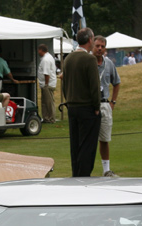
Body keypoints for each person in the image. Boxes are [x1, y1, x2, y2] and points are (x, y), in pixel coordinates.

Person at [62, 27, 101, 177]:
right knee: (88, 145)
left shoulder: (69, 58)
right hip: (87, 107)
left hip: (72, 106)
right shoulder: (89, 59)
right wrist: (96, 107)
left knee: (75, 144)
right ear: (90, 40)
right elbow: (94, 86)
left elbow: (65, 84)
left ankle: (75, 173)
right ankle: (84, 175)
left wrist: (68, 100)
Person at [94, 35, 121, 178]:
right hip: (90, 105)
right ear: (92, 46)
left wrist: (113, 102)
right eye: (97, 46)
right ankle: (86, 169)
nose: (99, 48)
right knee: (89, 139)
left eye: (102, 46)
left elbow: (117, 83)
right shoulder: (88, 62)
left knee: (104, 139)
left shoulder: (109, 63)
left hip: (104, 103)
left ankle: (106, 170)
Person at [37, 44, 57, 124]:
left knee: (49, 102)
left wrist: (46, 84)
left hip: (47, 84)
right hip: (47, 84)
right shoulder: (49, 57)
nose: (38, 52)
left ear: (41, 50)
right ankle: (46, 118)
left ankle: (51, 118)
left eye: (39, 50)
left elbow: (46, 73)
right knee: (45, 102)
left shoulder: (45, 60)